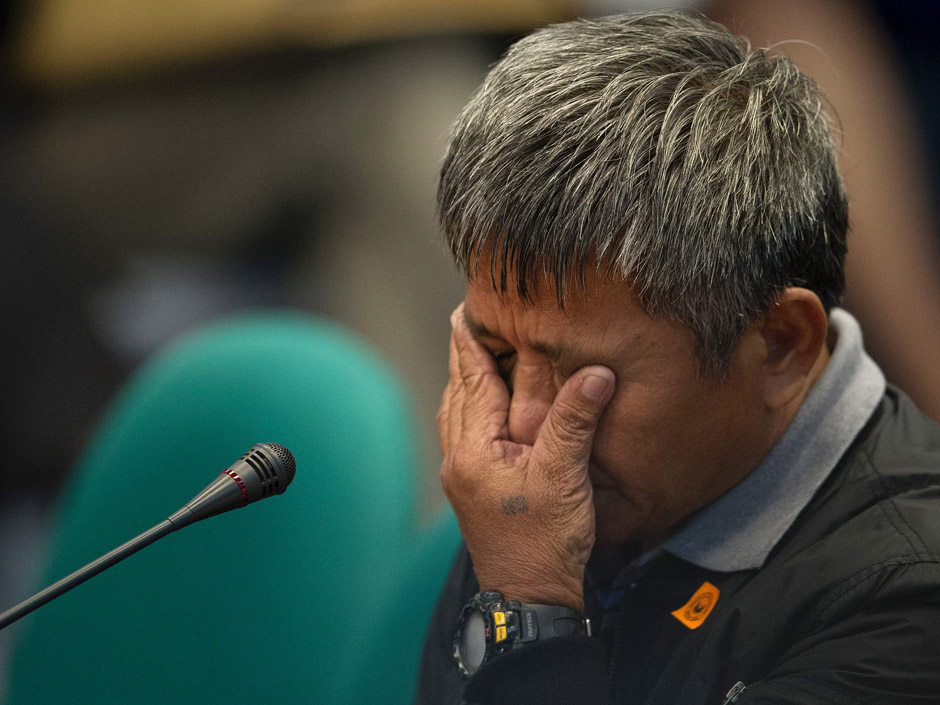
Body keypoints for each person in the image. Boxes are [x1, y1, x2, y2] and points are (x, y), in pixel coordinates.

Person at [414, 11, 940, 705]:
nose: (522, 426)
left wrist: (529, 608)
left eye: (583, 378)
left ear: (780, 344)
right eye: (497, 351)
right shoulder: (543, 498)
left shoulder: (909, 600)